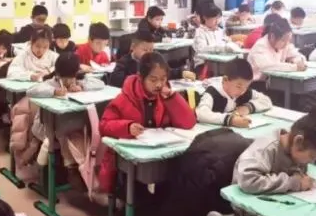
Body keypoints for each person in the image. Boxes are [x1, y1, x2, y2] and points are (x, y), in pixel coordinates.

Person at [98, 52, 197, 193]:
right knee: (139, 195)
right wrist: (127, 127)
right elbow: (104, 126)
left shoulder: (166, 96)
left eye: (163, 79)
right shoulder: (125, 98)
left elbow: (188, 123)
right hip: (129, 161)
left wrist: (173, 99)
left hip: (160, 154)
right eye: (153, 80)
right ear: (141, 77)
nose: (159, 84)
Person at [27, 53, 104, 186]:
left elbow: (100, 83)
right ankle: (71, 167)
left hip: (71, 125)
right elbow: (31, 91)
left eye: (71, 77)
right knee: (63, 131)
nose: (68, 82)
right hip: (46, 126)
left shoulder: (79, 80)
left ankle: (83, 169)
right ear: (57, 74)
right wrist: (54, 92)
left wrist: (82, 86)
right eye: (65, 78)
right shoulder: (51, 82)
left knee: (77, 132)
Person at [196, 58, 271, 126]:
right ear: (225, 80)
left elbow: (266, 101)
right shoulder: (213, 92)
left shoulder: (243, 90)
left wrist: (248, 108)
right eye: (238, 86)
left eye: (246, 87)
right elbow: (201, 114)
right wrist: (231, 120)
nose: (242, 91)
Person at [107, 30, 194, 87]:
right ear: (133, 47)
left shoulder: (154, 60)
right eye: (145, 50)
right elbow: (116, 82)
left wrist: (181, 72)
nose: (149, 53)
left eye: (151, 50)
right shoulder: (123, 62)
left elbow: (166, 72)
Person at [247, 16, 305, 80]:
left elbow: (297, 55)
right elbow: (268, 67)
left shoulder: (285, 44)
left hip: (274, 80)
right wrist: (294, 67)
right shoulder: (260, 47)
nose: (286, 43)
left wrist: (297, 61)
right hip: (258, 82)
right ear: (272, 37)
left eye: (288, 40)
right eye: (283, 40)